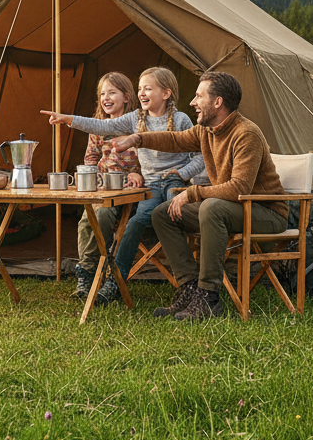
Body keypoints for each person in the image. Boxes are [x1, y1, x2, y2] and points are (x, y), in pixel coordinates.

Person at [110, 71, 287, 321]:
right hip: (233, 209)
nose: (192, 102)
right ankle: (189, 287)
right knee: (163, 214)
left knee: (211, 207)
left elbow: (239, 188)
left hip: (266, 213)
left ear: (218, 102)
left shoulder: (246, 133)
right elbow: (175, 140)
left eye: (198, 96)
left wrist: (192, 193)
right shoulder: (207, 131)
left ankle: (208, 297)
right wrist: (137, 138)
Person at [43, 66, 204, 305]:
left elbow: (200, 156)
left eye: (148, 89)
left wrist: (182, 173)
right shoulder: (136, 118)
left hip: (175, 183)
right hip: (150, 186)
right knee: (135, 223)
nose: (142, 93)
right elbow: (103, 127)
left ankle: (192, 283)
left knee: (177, 218)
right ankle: (115, 281)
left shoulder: (181, 120)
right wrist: (68, 119)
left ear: (166, 93)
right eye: (140, 89)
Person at [68, 72, 142, 301]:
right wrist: (93, 177)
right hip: (103, 187)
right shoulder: (98, 127)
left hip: (130, 191)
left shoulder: (138, 125)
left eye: (112, 92)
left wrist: (138, 173)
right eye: (102, 94)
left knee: (102, 214)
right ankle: (87, 272)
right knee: (85, 220)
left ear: (127, 97)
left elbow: (151, 159)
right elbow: (91, 158)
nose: (105, 98)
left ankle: (99, 267)